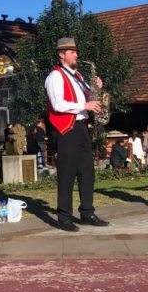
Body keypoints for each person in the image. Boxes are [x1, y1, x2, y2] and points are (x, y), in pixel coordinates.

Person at [45, 37, 109, 231]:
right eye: (72, 52)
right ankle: (64, 217)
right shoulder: (54, 76)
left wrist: (95, 90)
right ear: (62, 55)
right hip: (66, 128)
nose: (76, 55)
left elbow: (87, 98)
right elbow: (57, 104)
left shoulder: (78, 76)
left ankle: (87, 212)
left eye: (76, 51)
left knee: (87, 170)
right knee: (67, 173)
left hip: (81, 126)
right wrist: (85, 105)